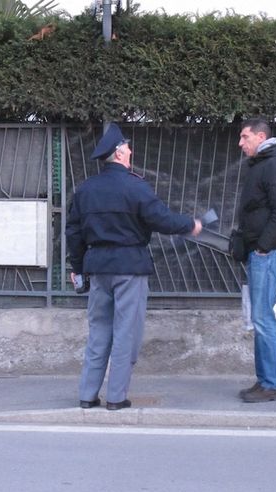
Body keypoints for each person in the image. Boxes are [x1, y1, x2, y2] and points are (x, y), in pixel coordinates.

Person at [66, 124, 202, 411]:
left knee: (98, 332)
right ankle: (116, 397)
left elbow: (74, 232)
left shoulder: (86, 190)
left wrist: (77, 267)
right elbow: (161, 219)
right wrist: (190, 224)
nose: (130, 151)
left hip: (97, 268)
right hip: (130, 267)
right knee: (126, 333)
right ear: (118, 154)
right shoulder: (136, 186)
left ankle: (87, 395)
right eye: (127, 148)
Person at [236, 118, 276, 403]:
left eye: (245, 137)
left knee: (263, 318)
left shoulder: (273, 165)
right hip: (260, 252)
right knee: (259, 318)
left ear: (261, 137)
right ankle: (265, 381)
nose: (240, 143)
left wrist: (262, 247)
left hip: (267, 254)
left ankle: (272, 384)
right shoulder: (261, 164)